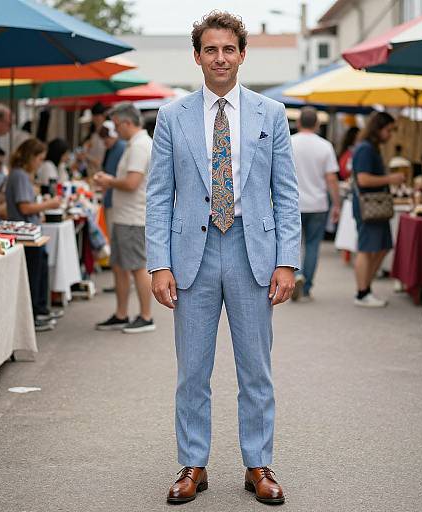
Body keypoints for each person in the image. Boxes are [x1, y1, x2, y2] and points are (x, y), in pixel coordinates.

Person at [146, 12, 300, 505]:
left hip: (253, 252)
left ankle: (258, 465)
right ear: (197, 57)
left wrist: (287, 261)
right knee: (193, 370)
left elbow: (287, 195)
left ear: (241, 54)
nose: (219, 58)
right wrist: (159, 263)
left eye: (228, 49)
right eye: (210, 50)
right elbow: (158, 196)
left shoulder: (270, 114)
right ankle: (193, 464)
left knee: (256, 368)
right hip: (191, 254)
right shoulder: (171, 117)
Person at [94, 103, 154, 334]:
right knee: (120, 266)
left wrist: (108, 181)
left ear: (128, 123)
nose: (115, 130)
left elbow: (131, 183)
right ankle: (121, 314)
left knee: (137, 266)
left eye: (117, 125)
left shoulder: (139, 147)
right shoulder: (136, 144)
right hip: (126, 215)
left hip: (132, 216)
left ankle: (146, 316)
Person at [6, 139, 63, 332]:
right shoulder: (20, 176)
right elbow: (24, 206)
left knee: (39, 269)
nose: (40, 163)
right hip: (26, 233)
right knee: (34, 272)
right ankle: (36, 312)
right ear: (31, 157)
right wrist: (49, 205)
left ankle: (40, 309)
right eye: (39, 159)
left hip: (30, 231)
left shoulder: (19, 175)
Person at [352, 112, 405, 308]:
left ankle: (365, 289)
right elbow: (363, 179)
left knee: (381, 247)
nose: (390, 135)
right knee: (367, 249)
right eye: (388, 130)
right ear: (378, 128)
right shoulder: (366, 149)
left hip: (374, 205)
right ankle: (362, 292)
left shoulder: (368, 147)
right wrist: (390, 179)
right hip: (370, 206)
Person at [290, 106, 340, 302]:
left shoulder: (289, 142)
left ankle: (295, 275)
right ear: (318, 125)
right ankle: (307, 286)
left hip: (292, 203)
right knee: (312, 245)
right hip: (318, 204)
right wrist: (337, 204)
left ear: (299, 122)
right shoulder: (325, 146)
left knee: (292, 243)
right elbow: (332, 179)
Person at [98, 120, 126, 238]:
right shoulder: (112, 149)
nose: (105, 142)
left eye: (107, 138)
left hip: (116, 200)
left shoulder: (120, 147)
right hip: (110, 198)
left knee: (113, 235)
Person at [84, 102, 107, 177]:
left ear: (103, 116)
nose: (95, 118)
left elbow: (100, 161)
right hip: (91, 171)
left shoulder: (107, 133)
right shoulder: (92, 134)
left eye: (97, 116)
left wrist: (86, 156)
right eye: (94, 116)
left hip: (102, 172)